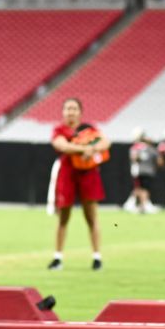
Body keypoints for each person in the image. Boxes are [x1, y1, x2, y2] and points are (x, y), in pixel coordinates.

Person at [49, 98, 110, 271]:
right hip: (67, 173)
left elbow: (105, 142)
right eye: (67, 108)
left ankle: (97, 257)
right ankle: (58, 257)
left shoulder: (89, 129)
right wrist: (86, 149)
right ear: (62, 112)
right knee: (63, 216)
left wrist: (92, 149)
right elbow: (62, 146)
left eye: (74, 108)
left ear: (80, 112)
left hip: (88, 173)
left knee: (91, 216)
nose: (71, 112)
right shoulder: (59, 130)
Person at [127, 127, 160, 215]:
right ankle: (143, 205)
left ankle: (140, 205)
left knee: (140, 188)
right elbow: (159, 160)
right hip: (147, 170)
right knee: (143, 189)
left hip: (138, 170)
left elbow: (133, 158)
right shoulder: (150, 147)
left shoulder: (136, 147)